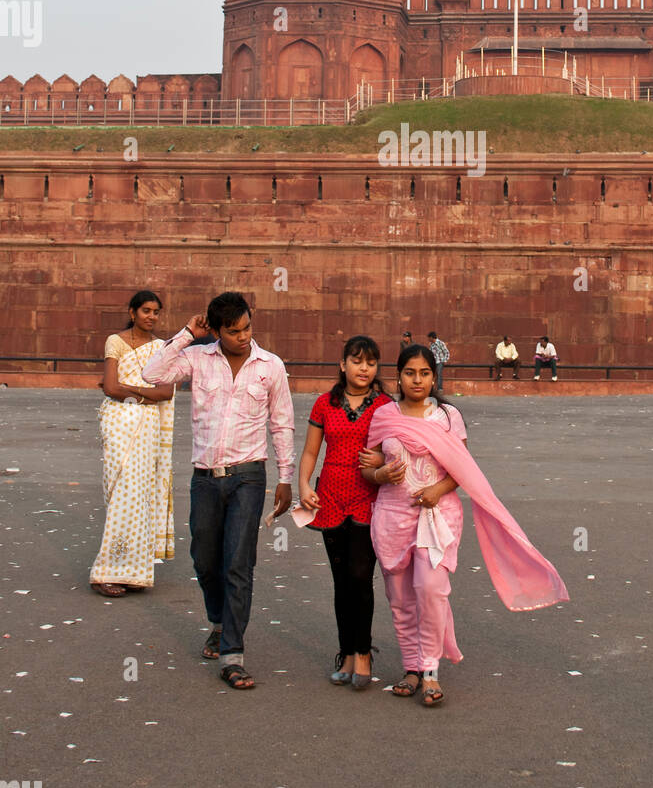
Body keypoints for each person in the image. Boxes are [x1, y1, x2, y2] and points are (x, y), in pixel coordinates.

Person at [359, 344, 569, 707]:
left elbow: (462, 468)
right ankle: (410, 667)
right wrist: (380, 472)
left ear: (433, 375)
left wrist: (437, 490)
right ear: (399, 376)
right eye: (410, 372)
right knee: (400, 597)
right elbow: (367, 467)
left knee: (431, 588)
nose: (418, 380)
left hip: (437, 516)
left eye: (424, 373)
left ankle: (430, 670)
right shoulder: (384, 416)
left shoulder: (447, 416)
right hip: (393, 515)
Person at [141, 291, 294, 691]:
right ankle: (219, 620)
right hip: (206, 477)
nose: (243, 336)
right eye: (233, 331)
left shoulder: (270, 366)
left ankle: (233, 654)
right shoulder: (197, 359)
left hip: (249, 476)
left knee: (238, 564)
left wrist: (286, 477)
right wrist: (187, 334)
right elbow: (151, 374)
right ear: (217, 330)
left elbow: (282, 423)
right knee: (205, 558)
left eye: (247, 328)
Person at [298, 336, 391, 689]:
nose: (363, 368)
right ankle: (346, 652)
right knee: (341, 581)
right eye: (356, 361)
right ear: (342, 365)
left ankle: (364, 652)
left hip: (368, 493)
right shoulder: (325, 403)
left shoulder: (385, 406)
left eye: (370, 362)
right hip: (331, 494)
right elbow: (310, 452)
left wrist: (382, 459)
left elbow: (398, 450)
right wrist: (304, 486)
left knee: (361, 576)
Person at [90, 290, 175, 597]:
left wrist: (129, 393)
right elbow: (109, 387)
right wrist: (141, 392)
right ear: (132, 312)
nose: (151, 316)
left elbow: (165, 392)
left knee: (140, 496)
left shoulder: (162, 348)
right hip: (118, 424)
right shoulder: (115, 341)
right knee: (122, 492)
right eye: (146, 311)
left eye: (156, 311)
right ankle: (106, 572)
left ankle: (132, 572)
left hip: (147, 427)